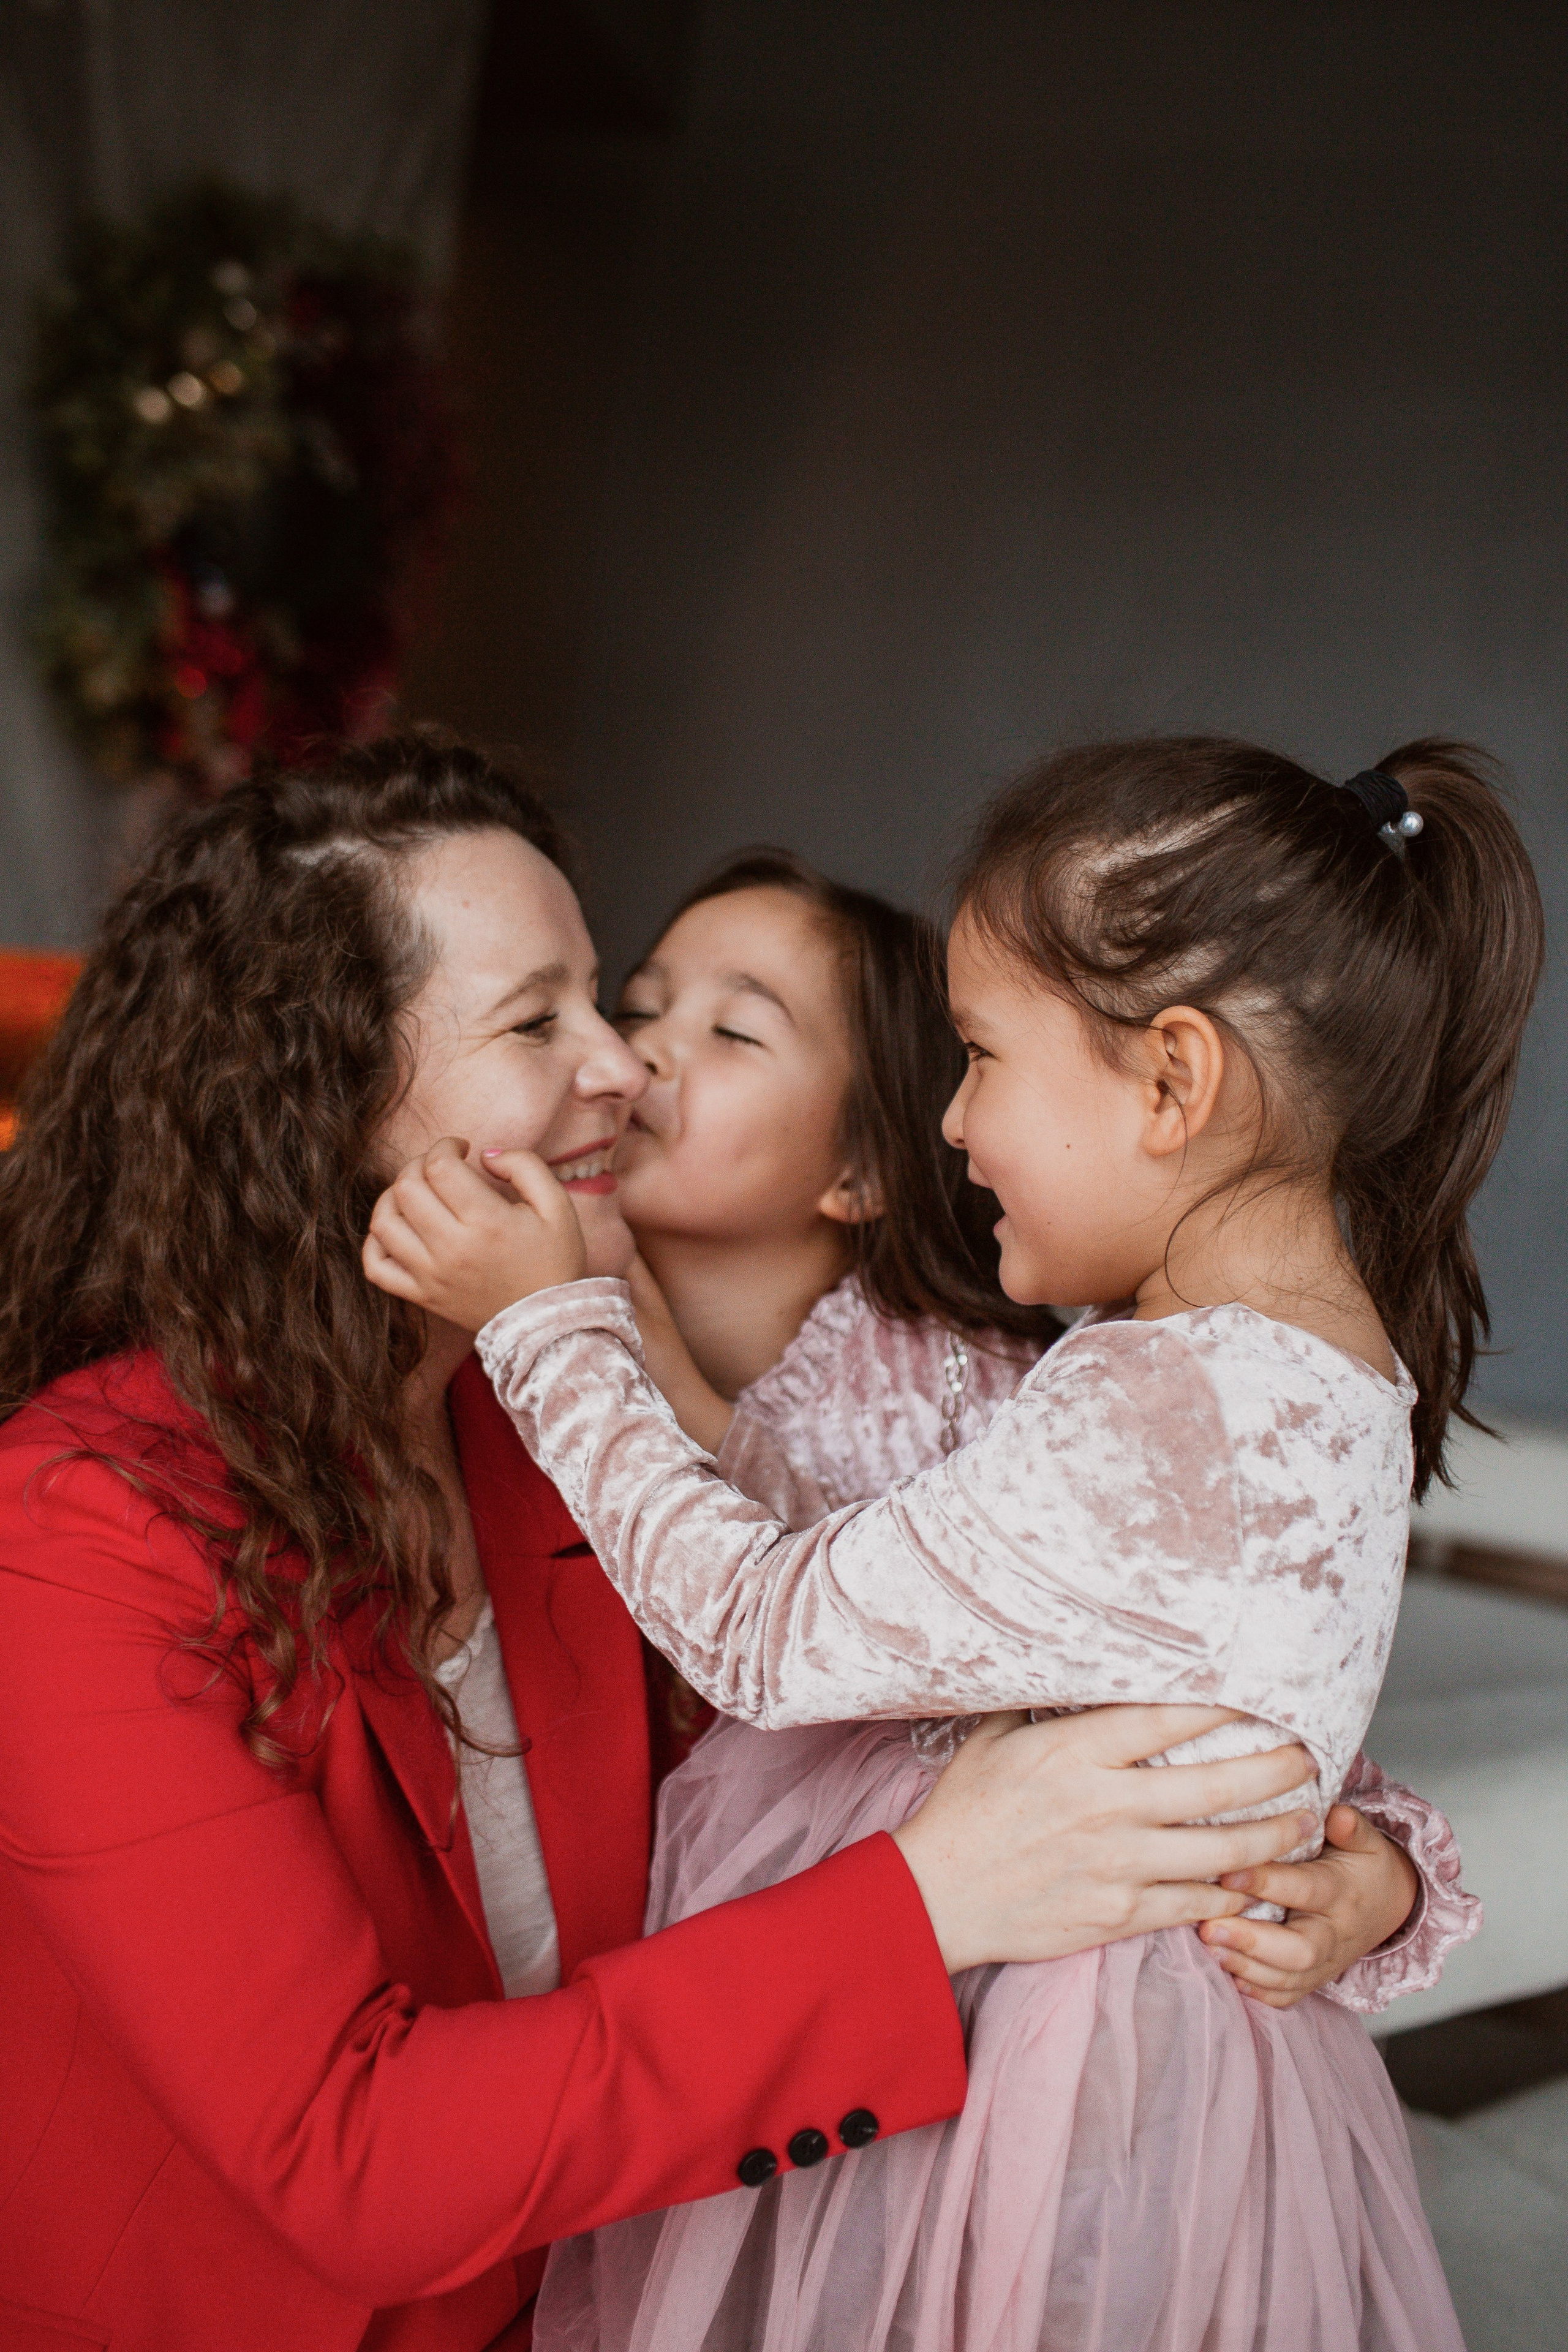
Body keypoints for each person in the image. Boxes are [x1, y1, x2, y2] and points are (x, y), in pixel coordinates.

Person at [0, 736, 1324, 2352]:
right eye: (538, 1018)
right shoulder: (74, 1535)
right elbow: (362, 2159)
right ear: (321, 1098)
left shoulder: (553, 1438)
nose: (625, 1068)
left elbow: (939, 1682)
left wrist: (1353, 1856)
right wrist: (928, 1900)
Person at [365, 736, 1545, 2351]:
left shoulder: (1155, 1404)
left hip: (1036, 2086)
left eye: (982, 1058)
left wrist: (543, 1325)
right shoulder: (1290, 1372)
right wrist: (1384, 1879)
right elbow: (1232, 1712)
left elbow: (762, 1633)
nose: (957, 1119)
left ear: (1175, 1082)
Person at [612, 846, 1477, 2013]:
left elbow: (1204, 1700)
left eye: (737, 1033)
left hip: (935, 1990)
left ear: (865, 1165)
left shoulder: (984, 1395)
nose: (635, 1051)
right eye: (641, 1006)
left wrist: (1387, 1879)